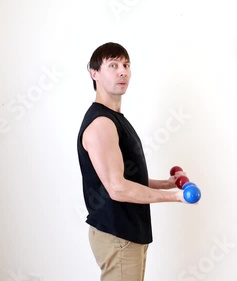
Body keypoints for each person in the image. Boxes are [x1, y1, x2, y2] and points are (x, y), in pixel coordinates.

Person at [77, 42, 188, 281]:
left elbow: (125, 178)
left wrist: (165, 184)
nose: (122, 71)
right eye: (113, 65)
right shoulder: (101, 124)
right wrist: (175, 197)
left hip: (128, 234)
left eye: (126, 65)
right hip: (118, 236)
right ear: (94, 73)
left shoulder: (115, 119)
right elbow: (117, 187)